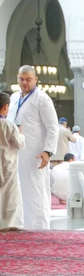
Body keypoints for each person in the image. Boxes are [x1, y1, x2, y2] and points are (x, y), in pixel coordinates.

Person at [7, 65, 59, 230]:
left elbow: (52, 127)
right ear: (17, 78)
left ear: (35, 79)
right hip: (15, 152)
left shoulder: (42, 99)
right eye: (22, 79)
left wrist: (48, 151)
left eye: (28, 79)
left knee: (36, 189)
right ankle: (19, 224)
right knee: (17, 189)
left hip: (35, 154)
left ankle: (39, 227)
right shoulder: (14, 97)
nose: (24, 82)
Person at [0, 92, 26, 230]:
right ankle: (9, 224)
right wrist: (21, 134)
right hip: (7, 163)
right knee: (10, 195)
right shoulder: (9, 125)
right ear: (6, 107)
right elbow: (19, 144)